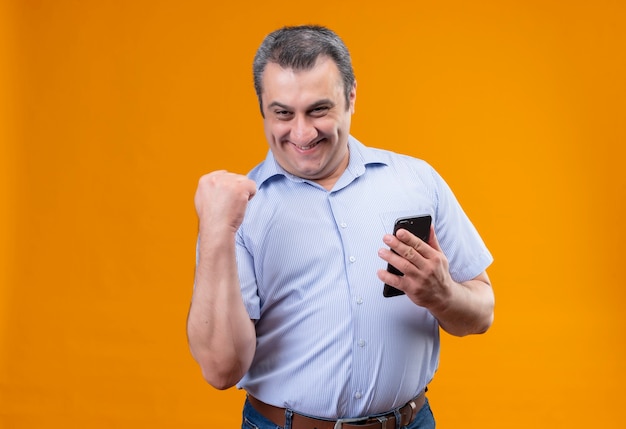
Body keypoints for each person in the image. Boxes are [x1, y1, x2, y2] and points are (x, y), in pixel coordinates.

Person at [187, 25, 494, 429]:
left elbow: (481, 313)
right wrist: (214, 231)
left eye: (318, 110)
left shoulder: (417, 181)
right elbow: (221, 370)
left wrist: (443, 294)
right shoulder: (237, 212)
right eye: (283, 113)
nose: (301, 133)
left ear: (351, 97)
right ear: (262, 107)